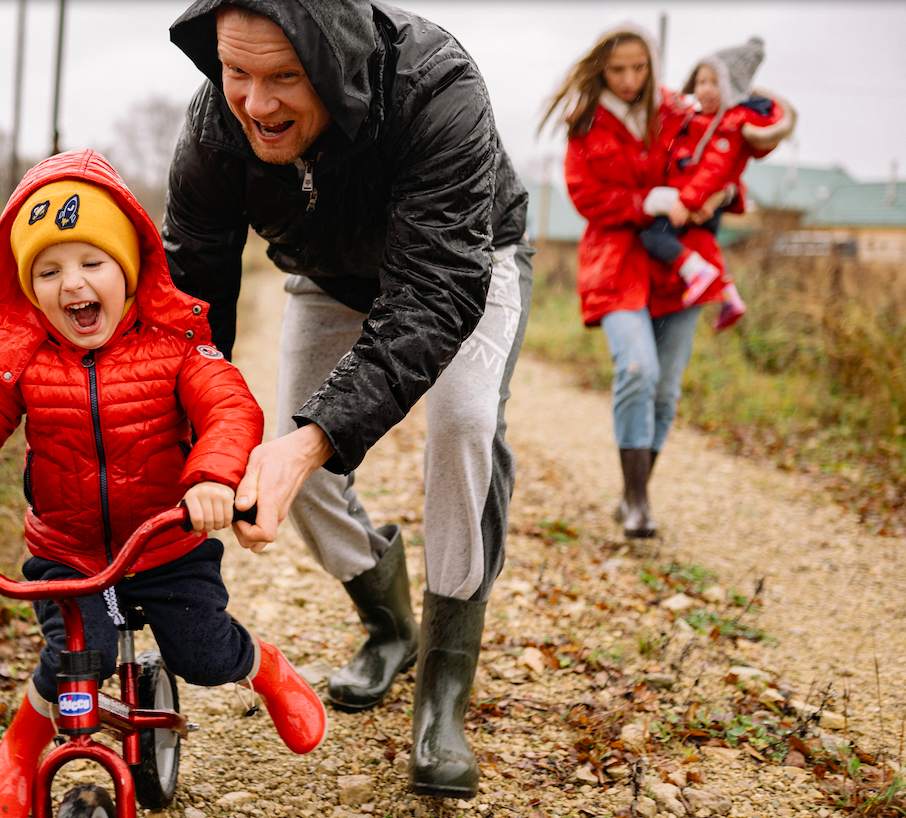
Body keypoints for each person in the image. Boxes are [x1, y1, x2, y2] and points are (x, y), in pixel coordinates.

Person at [0, 149, 327, 818]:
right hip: (68, 551)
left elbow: (229, 408)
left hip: (164, 545)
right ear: (28, 287)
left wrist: (210, 478)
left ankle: (264, 667)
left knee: (204, 653)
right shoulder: (22, 358)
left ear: (128, 268)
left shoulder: (176, 345)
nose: (73, 285)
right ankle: (17, 751)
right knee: (75, 660)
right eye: (49, 270)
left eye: (92, 263)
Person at [164, 0, 532, 798]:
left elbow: (435, 294)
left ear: (331, 61)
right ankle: (389, 623)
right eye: (236, 73)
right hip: (329, 275)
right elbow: (191, 301)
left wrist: (311, 439)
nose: (256, 105)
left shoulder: (438, 87)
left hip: (466, 260)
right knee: (296, 453)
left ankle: (443, 689)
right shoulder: (213, 128)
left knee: (462, 423)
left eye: (284, 77)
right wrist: (188, 441)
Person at [544, 26, 789, 539]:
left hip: (682, 261)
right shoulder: (584, 123)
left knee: (666, 388)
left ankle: (637, 494)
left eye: (639, 67)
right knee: (637, 368)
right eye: (618, 69)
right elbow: (586, 197)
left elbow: (727, 143)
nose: (630, 79)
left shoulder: (677, 110)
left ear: (651, 65)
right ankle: (636, 502)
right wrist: (649, 202)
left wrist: (726, 192)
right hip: (616, 263)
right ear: (600, 69)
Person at [638, 36, 795, 331]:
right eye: (701, 82)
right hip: (695, 198)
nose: (705, 90)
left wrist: (687, 202)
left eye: (714, 83)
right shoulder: (698, 120)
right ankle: (729, 296)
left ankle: (695, 272)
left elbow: (714, 170)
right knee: (703, 244)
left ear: (731, 88)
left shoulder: (727, 127)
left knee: (654, 237)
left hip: (693, 201)